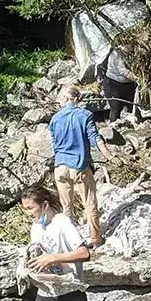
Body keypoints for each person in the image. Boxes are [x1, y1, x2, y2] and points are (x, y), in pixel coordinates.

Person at [50, 86, 115, 248]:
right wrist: (110, 156)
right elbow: (94, 138)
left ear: (63, 101)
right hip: (79, 166)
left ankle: (71, 242)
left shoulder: (55, 119)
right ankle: (96, 239)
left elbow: (54, 143)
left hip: (60, 167)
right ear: (79, 99)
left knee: (67, 208)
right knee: (89, 203)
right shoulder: (84, 115)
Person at [102, 43, 137, 123]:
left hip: (128, 84)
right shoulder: (117, 53)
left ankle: (131, 125)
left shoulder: (133, 52)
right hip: (113, 83)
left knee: (132, 106)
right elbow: (123, 71)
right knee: (115, 108)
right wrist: (137, 78)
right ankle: (113, 129)